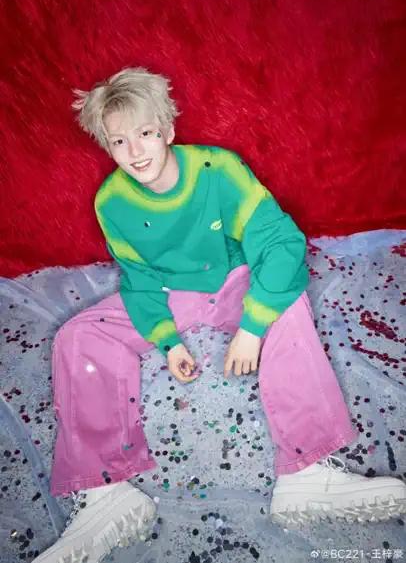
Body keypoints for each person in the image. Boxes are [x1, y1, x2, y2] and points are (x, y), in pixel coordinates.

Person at [33, 68, 406, 562]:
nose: (135, 151)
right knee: (78, 335)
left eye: (145, 133)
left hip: (233, 279)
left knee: (286, 301)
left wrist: (252, 327)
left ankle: (306, 471)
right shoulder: (111, 202)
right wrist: (168, 341)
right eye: (119, 141)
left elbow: (280, 242)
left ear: (167, 130)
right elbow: (139, 278)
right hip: (171, 291)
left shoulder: (218, 169)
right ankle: (105, 495)